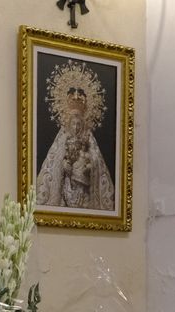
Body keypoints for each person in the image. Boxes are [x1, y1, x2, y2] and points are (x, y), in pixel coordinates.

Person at [35, 61, 115, 211]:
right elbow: (54, 164)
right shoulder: (62, 139)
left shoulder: (89, 139)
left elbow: (98, 162)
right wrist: (65, 167)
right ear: (68, 124)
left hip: (84, 190)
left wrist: (90, 164)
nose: (76, 127)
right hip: (66, 189)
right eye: (73, 124)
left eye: (79, 124)